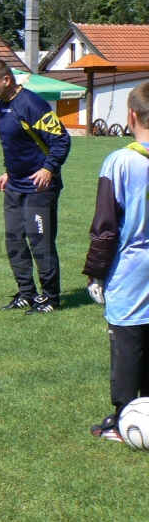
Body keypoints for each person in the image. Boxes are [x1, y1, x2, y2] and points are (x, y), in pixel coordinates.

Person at [0, 59, 71, 314]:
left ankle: (51, 298)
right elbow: (16, 144)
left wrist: (48, 168)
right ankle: (26, 294)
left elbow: (61, 139)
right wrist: (8, 172)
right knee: (14, 242)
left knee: (40, 244)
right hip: (15, 186)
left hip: (39, 188)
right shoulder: (1, 107)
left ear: (6, 80)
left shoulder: (31, 104)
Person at [85, 81, 149, 443]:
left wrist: (96, 273)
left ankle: (126, 420)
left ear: (131, 115)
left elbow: (105, 228)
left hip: (131, 266)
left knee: (127, 340)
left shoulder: (120, 161)